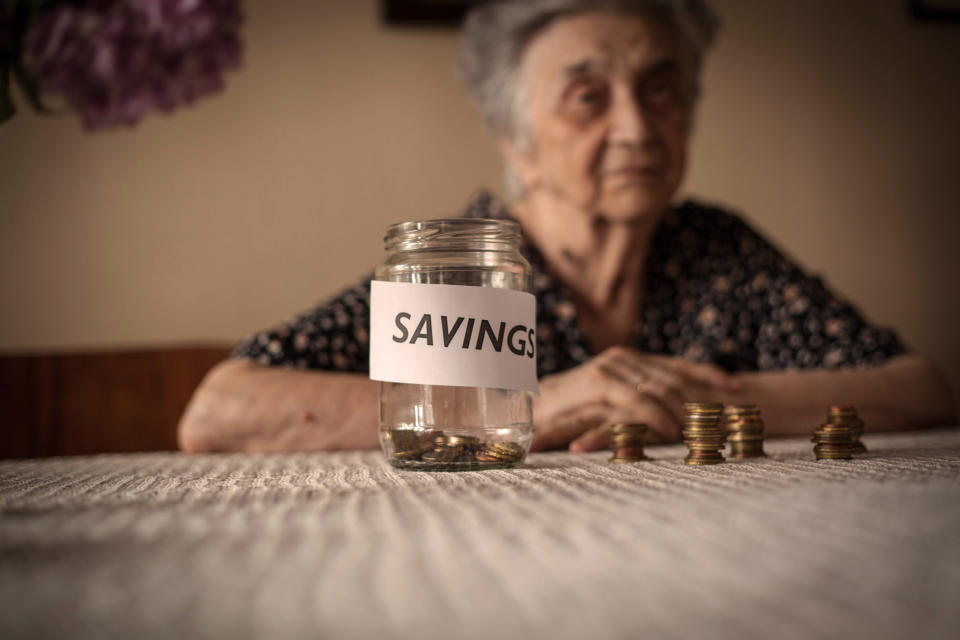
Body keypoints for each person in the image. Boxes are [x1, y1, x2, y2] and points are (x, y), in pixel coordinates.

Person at [178, 0, 955, 454]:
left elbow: (918, 387)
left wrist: (696, 400)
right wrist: (537, 404)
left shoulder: (715, 249)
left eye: (659, 90)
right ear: (516, 140)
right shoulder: (474, 269)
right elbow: (222, 410)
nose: (638, 131)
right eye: (588, 96)